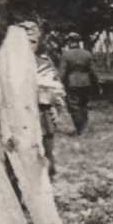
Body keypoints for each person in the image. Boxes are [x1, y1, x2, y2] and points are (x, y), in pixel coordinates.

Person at [22, 21, 65, 177]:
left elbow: (57, 92)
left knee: (46, 156)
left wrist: (54, 105)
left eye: (33, 41)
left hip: (42, 117)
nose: (29, 45)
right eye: (25, 41)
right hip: (18, 119)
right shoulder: (6, 65)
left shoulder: (44, 64)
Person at [59, 32, 101, 134]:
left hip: (72, 83)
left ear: (70, 42)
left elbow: (62, 72)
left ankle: (80, 128)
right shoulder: (87, 54)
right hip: (86, 83)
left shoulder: (66, 55)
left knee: (74, 106)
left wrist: (59, 83)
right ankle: (84, 126)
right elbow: (93, 71)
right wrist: (97, 83)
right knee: (84, 104)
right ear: (78, 42)